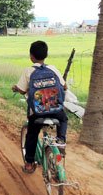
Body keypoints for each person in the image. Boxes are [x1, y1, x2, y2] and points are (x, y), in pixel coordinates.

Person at [12, 40, 68, 174]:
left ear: (31, 56)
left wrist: (15, 88)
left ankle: (30, 164)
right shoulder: (53, 69)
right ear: (46, 55)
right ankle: (61, 140)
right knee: (63, 119)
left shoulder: (28, 71)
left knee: (32, 134)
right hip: (55, 110)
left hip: (37, 112)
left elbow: (21, 89)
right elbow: (64, 86)